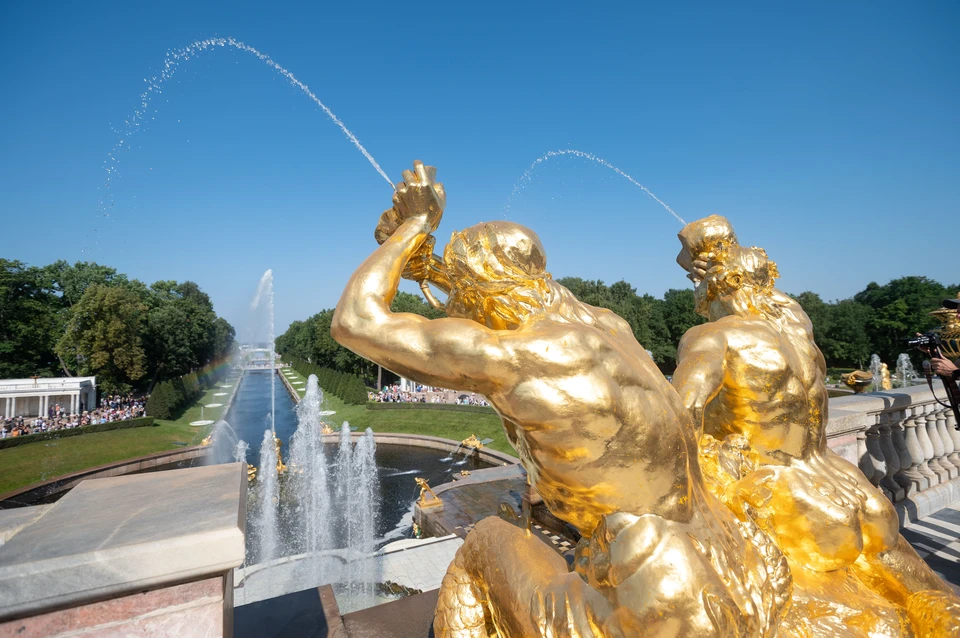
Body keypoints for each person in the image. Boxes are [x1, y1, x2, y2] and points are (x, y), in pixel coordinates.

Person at [332, 163, 786, 636]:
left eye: (463, 289)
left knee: (486, 539)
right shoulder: (605, 324)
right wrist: (426, 268)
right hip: (729, 568)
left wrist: (412, 228)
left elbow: (354, 322)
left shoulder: (513, 357)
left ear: (478, 290)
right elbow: (498, 297)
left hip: (652, 610)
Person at [671, 215, 959, 633]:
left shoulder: (712, 337)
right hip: (851, 490)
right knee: (928, 603)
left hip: (788, 500)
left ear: (709, 288)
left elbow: (681, 413)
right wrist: (715, 256)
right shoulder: (796, 325)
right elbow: (763, 291)